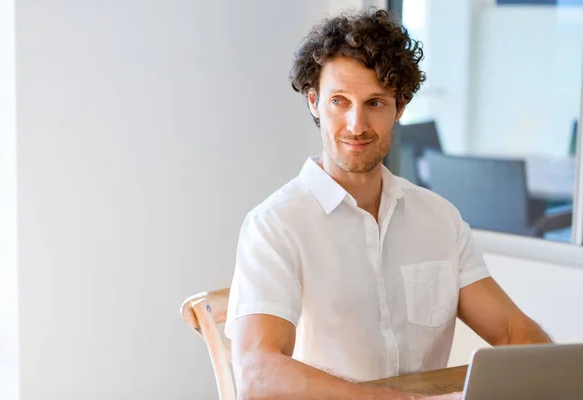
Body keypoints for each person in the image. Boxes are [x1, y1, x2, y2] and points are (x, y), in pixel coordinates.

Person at [225, 8, 552, 400]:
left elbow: (514, 332)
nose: (356, 124)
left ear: (400, 106)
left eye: (375, 103)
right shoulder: (275, 225)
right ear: (314, 102)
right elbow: (256, 372)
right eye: (339, 102)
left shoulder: (439, 219)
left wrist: (555, 377)